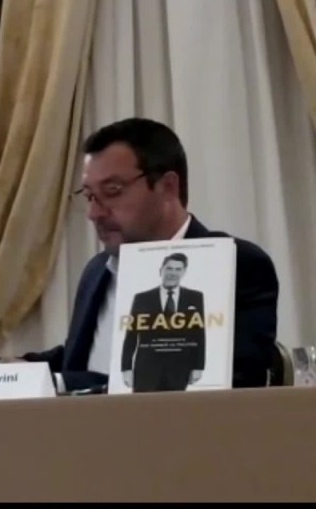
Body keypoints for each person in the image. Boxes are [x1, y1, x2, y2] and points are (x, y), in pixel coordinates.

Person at [21, 117, 278, 392]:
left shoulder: (235, 264)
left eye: (112, 191)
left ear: (167, 187)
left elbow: (234, 380)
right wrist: (9, 370)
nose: (94, 213)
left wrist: (67, 384)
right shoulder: (98, 270)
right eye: (89, 196)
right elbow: (86, 356)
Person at [121, 252, 206, 392]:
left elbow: (199, 333)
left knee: (175, 405)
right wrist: (126, 368)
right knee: (143, 405)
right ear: (161, 270)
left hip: (180, 368)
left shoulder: (195, 297)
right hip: (146, 368)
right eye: (169, 268)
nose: (173, 273)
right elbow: (131, 335)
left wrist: (198, 366)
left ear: (184, 272)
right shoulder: (142, 298)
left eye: (178, 269)